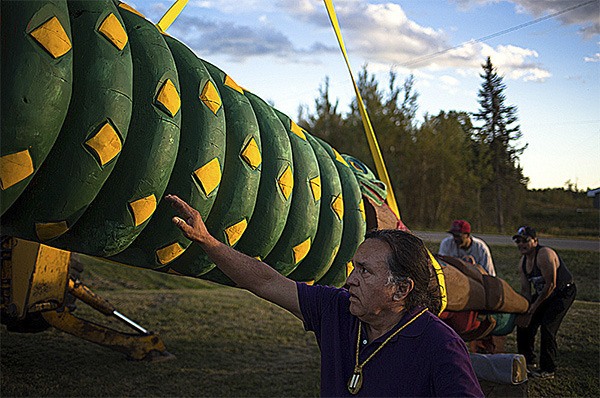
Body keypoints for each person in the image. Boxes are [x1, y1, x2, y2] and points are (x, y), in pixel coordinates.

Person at [165, 194, 483, 397]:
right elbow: (265, 281)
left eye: (365, 271)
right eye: (354, 267)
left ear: (400, 289)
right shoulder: (337, 309)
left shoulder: (440, 345)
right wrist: (208, 242)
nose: (350, 280)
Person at [513, 226, 576, 380]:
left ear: (535, 241)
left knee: (548, 327)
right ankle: (527, 360)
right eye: (518, 241)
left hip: (562, 292)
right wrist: (525, 310)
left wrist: (533, 308)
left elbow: (551, 285)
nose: (521, 244)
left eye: (526, 240)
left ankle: (548, 369)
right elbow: (526, 290)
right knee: (523, 324)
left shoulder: (544, 254)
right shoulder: (523, 263)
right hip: (544, 294)